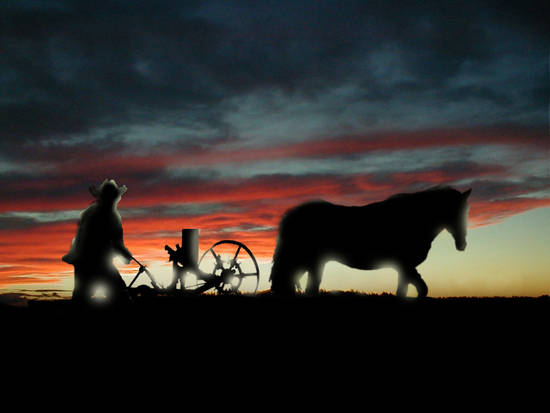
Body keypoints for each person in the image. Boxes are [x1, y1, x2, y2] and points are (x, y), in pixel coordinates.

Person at [62, 179, 132, 306]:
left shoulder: (89, 212)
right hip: (99, 261)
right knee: (119, 293)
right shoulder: (111, 215)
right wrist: (126, 255)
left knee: (81, 297)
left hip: (81, 261)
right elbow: (117, 242)